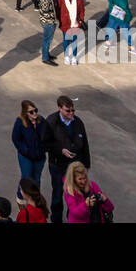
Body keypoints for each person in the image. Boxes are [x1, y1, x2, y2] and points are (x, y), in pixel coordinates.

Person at [45, 95, 91, 223]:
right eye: (68, 111)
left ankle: (73, 218)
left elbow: (85, 144)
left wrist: (86, 165)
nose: (71, 113)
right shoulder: (51, 122)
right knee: (58, 195)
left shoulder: (78, 122)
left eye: (73, 110)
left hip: (75, 166)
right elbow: (46, 143)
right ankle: (56, 219)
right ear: (60, 108)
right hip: (58, 166)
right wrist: (61, 150)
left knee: (76, 195)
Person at [12, 100, 47, 196]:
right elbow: (16, 139)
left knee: (37, 179)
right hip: (26, 156)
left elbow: (47, 136)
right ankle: (20, 198)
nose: (35, 113)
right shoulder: (20, 122)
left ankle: (35, 200)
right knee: (27, 178)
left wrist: (43, 148)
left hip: (39, 156)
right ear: (25, 113)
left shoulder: (41, 121)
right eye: (31, 112)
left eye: (35, 110)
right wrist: (25, 150)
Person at [57, 0, 85, 65]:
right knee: (66, 41)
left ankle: (74, 57)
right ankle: (66, 57)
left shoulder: (79, 1)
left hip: (75, 25)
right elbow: (58, 10)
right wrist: (60, 19)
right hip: (65, 24)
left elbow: (82, 12)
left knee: (74, 41)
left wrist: (80, 20)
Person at [36, 0, 59, 65]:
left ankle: (47, 54)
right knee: (47, 40)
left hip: (48, 22)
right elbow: (45, 11)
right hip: (48, 22)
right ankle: (45, 58)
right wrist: (53, 18)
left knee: (48, 40)